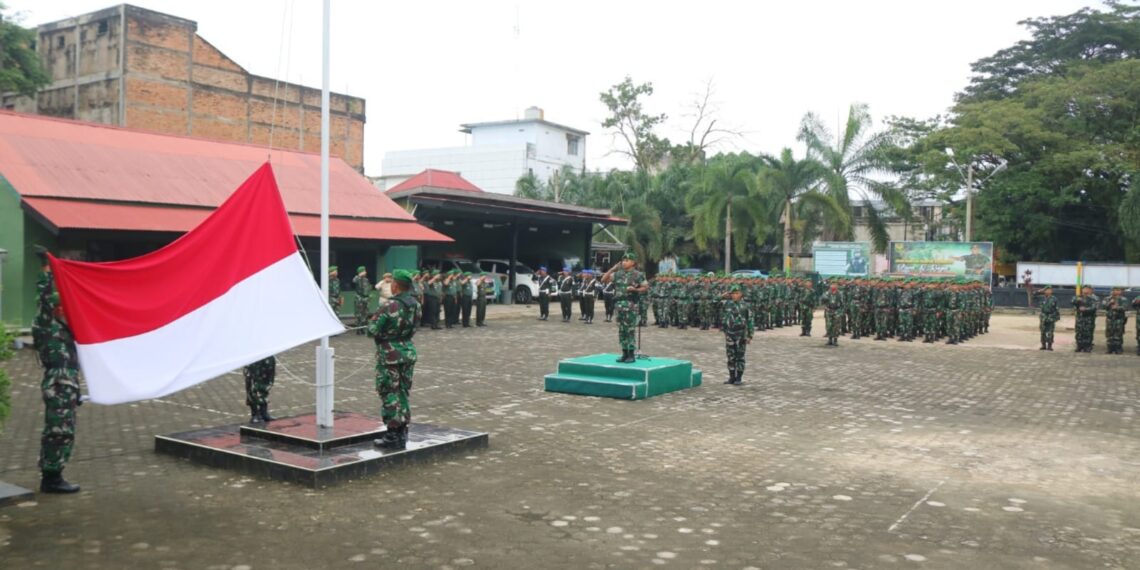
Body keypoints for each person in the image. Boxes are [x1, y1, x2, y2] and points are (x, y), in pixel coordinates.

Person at [368, 269, 422, 451]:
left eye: (392, 282)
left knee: (389, 392)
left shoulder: (390, 305)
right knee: (402, 392)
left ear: (396, 285)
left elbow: (372, 329)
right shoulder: (415, 304)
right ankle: (402, 430)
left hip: (389, 354)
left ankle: (392, 434)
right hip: (407, 351)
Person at [601, 252, 648, 363]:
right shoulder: (617, 274)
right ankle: (624, 353)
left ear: (633, 262)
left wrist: (635, 290)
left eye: (627, 260)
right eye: (623, 260)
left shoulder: (638, 274)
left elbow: (645, 287)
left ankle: (631, 354)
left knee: (630, 330)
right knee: (622, 330)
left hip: (631, 305)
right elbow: (603, 280)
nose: (623, 262)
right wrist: (612, 269)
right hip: (619, 305)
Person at [720, 284, 753, 385]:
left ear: (741, 294)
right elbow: (713, 302)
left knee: (740, 356)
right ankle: (731, 377)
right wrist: (722, 296)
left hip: (741, 334)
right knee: (730, 356)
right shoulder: (727, 304)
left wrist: (749, 335)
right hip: (729, 333)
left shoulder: (746, 306)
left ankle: (739, 377)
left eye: (736, 293)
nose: (734, 295)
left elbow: (750, 321)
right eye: (732, 293)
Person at [243, 356, 276, 423]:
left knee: (266, 384)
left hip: (267, 355)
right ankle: (255, 414)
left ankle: (263, 413)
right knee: (253, 386)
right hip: (253, 357)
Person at [1071, 285, 1099, 352]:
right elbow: (1072, 301)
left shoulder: (1094, 298)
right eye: (1084, 289)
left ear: (1091, 290)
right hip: (1080, 318)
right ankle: (1079, 346)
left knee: (1088, 333)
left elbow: (1094, 307)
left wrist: (1085, 309)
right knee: (1079, 332)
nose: (1085, 290)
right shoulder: (1079, 297)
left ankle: (1087, 346)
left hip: (1089, 318)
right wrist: (1077, 300)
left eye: (1087, 289)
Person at [1102, 288, 1127, 355]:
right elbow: (1103, 306)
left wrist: (1117, 307)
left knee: (1118, 334)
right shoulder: (1107, 299)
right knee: (1110, 333)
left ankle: (1118, 348)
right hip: (1110, 319)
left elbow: (1125, 307)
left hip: (1119, 319)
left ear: (1121, 291)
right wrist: (1110, 303)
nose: (1117, 291)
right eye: (1115, 290)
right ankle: (1110, 348)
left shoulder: (1123, 299)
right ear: (1112, 291)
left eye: (1118, 290)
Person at [1035, 286, 1060, 351]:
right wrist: (1039, 291)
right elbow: (1034, 295)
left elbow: (1057, 308)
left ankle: (1049, 346)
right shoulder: (1042, 298)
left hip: (1051, 317)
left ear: (1051, 291)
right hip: (1043, 316)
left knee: (1050, 332)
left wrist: (1056, 317)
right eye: (1046, 290)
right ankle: (1043, 345)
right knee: (1043, 331)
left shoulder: (1054, 299)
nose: (1048, 291)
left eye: (1049, 290)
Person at [820, 282, 843, 346]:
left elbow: (843, 303)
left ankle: (835, 340)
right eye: (832, 284)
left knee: (836, 326)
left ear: (837, 286)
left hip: (837, 311)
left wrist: (841, 311)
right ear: (830, 285)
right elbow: (821, 301)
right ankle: (830, 340)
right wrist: (825, 307)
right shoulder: (826, 293)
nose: (833, 286)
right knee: (829, 325)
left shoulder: (840, 293)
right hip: (829, 310)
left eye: (835, 284)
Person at [352, 266, 372, 335]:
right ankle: (358, 329)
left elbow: (368, 288)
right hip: (359, 299)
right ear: (361, 272)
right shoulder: (357, 278)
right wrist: (359, 275)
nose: (365, 272)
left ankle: (363, 328)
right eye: (364, 271)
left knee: (365, 314)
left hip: (366, 299)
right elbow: (353, 281)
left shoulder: (366, 280)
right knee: (359, 314)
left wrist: (369, 296)